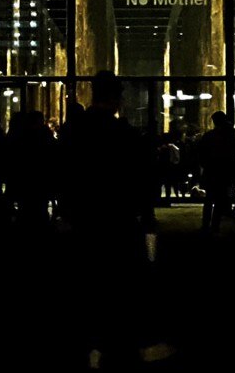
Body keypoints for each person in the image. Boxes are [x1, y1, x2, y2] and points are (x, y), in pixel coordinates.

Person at [61, 70, 171, 369]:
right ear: (116, 97)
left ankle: (92, 346)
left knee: (90, 282)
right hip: (118, 217)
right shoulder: (123, 133)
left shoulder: (75, 131)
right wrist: (145, 214)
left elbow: (64, 174)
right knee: (128, 282)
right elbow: (141, 177)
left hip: (86, 216)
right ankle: (141, 343)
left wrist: (68, 211)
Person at [198, 111, 235, 233]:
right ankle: (215, 224)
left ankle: (206, 224)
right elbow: (231, 154)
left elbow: (201, 154)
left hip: (211, 171)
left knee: (209, 199)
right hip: (222, 171)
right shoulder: (228, 136)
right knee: (219, 200)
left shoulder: (209, 136)